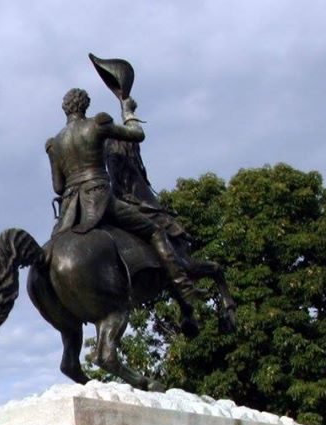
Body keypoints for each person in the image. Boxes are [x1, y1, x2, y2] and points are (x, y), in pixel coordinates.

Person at [45, 83, 210, 317]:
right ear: (85, 105)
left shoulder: (54, 143)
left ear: (65, 109)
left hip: (71, 211)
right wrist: (128, 112)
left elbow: (58, 186)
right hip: (99, 198)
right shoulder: (97, 124)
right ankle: (184, 287)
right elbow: (137, 135)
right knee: (155, 231)